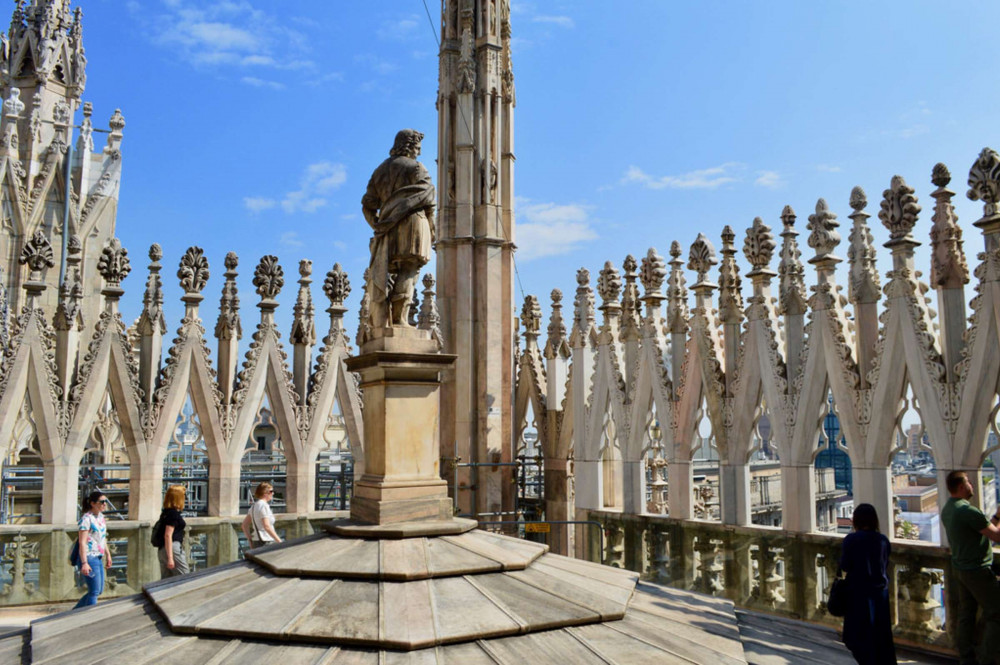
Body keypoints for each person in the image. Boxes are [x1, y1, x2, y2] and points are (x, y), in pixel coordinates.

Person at [360, 128, 436, 330]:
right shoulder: (417, 168)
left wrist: (378, 225)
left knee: (389, 272)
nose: (418, 152)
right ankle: (399, 320)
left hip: (387, 229)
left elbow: (368, 204)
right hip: (413, 224)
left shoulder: (380, 171)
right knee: (409, 269)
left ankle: (387, 319)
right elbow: (429, 202)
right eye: (417, 148)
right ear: (409, 146)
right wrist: (433, 229)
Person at [941, 470, 1000, 665]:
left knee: (966, 614)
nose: (972, 486)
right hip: (977, 570)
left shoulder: (948, 509)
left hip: (960, 568)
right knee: (996, 612)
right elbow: (996, 536)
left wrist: (996, 518)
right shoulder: (967, 511)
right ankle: (986, 659)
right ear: (960, 487)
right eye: (968, 482)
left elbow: (981, 532)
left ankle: (966, 658)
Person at [839, 503, 896, 665]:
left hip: (858, 595)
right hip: (879, 595)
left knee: (859, 640)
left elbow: (845, 565)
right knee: (880, 639)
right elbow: (885, 565)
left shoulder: (851, 540)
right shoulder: (883, 540)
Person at [74, 490, 111, 609]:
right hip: (89, 557)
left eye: (106, 501)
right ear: (93, 503)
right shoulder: (86, 519)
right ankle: (90, 616)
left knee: (98, 590)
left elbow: (102, 538)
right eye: (102, 502)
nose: (105, 504)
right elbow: (82, 542)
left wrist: (108, 554)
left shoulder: (100, 517)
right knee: (94, 591)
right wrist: (84, 563)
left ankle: (74, 613)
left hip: (98, 556)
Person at [157, 484, 189, 578]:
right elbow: (168, 535)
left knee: (166, 580)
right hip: (172, 548)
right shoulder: (173, 514)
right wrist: (170, 558)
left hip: (162, 549)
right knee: (185, 577)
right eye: (183, 496)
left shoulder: (165, 513)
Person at [241, 482, 282, 548]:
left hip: (256, 541)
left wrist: (250, 540)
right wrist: (279, 541)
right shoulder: (264, 506)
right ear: (265, 493)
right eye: (271, 491)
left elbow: (244, 525)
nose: (273, 493)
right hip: (266, 541)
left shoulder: (253, 506)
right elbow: (267, 526)